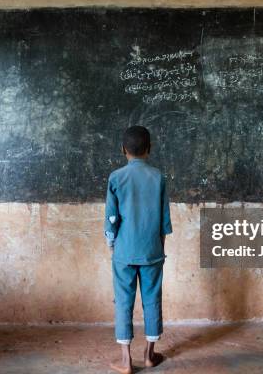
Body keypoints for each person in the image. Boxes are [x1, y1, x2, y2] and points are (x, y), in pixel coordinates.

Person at [104, 125, 172, 374]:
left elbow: (111, 219)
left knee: (123, 301)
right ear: (149, 149)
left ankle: (125, 360)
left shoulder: (115, 177)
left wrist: (112, 247)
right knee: (152, 298)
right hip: (152, 250)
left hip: (124, 251)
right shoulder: (159, 177)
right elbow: (164, 220)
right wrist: (160, 250)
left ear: (123, 150)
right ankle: (150, 356)